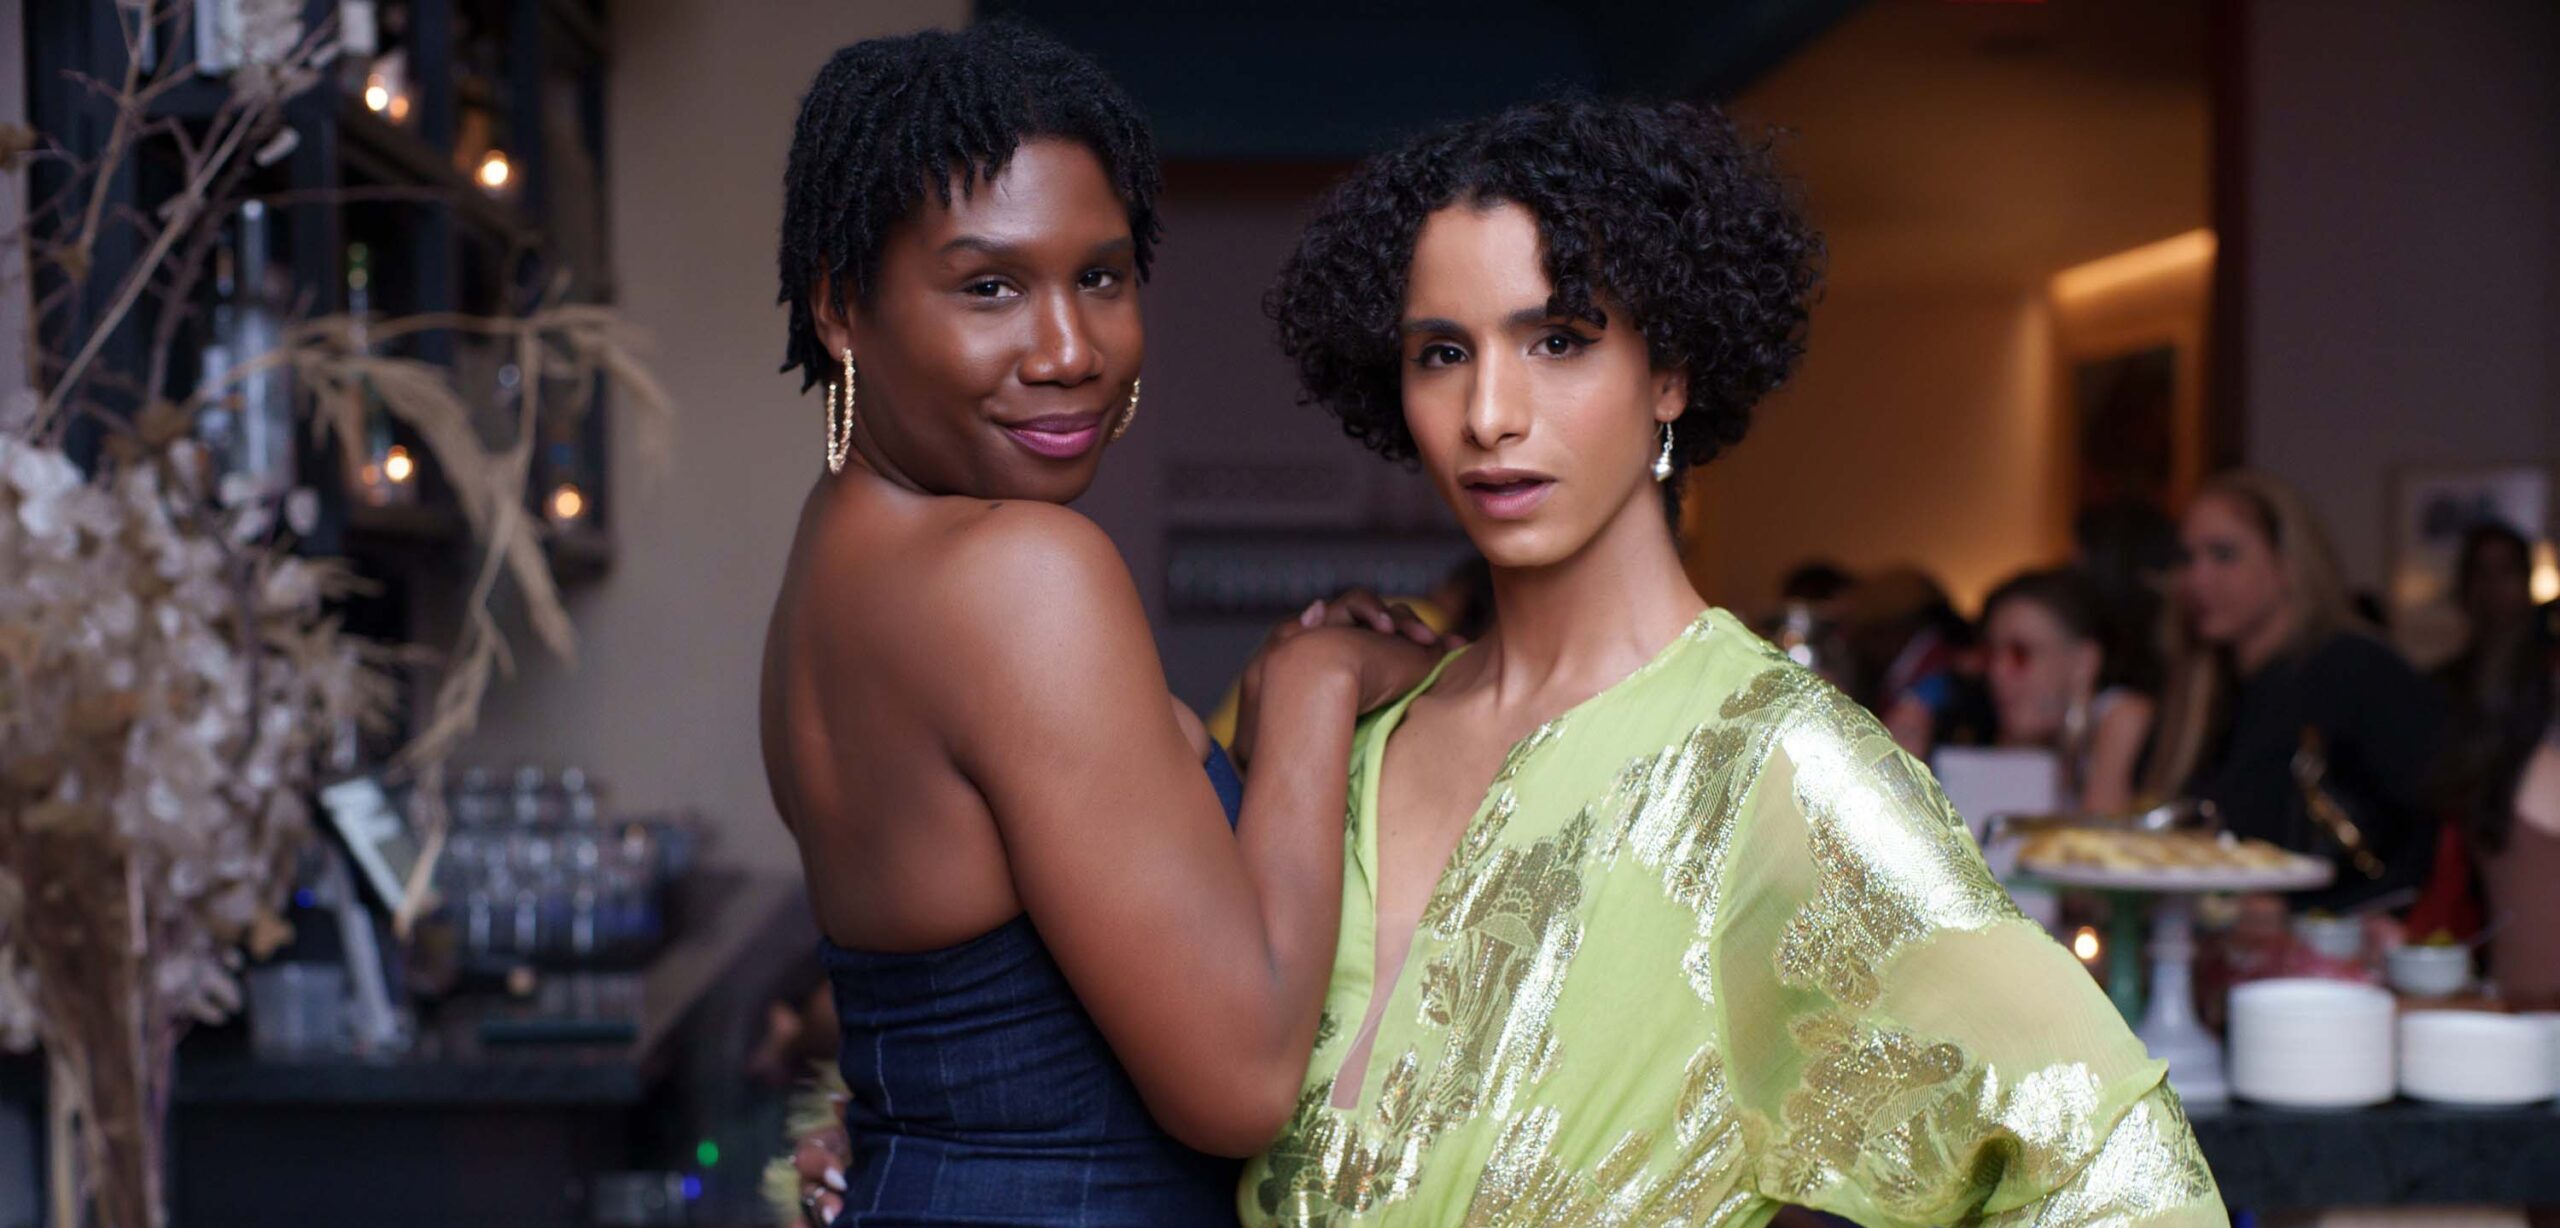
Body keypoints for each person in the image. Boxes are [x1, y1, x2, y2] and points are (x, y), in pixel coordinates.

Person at [1242, 97, 2220, 1226]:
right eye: (1442, 353)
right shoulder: (1367, 739)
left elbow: (2116, 1174)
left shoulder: (1777, 766)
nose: (1489, 412)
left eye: (1559, 339)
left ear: (1669, 372)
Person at [759, 27, 1439, 1225]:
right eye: (989, 286)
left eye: (1103, 277)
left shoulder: (835, 555)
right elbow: (1237, 1085)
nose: (1071, 350)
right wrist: (1313, 694)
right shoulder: (1023, 574)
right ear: (838, 305)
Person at [2144, 470, 2445, 913]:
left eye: (2224, 555)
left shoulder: (2357, 670)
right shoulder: (2203, 692)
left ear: (2288, 564)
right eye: (2187, 558)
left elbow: (2426, 836)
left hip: (2341, 950)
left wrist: (2300, 908)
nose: (2197, 578)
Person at [1982, 568, 2154, 814]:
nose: (1997, 672)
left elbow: (2098, 840)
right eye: (1991, 654)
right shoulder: (2032, 734)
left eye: (2020, 654)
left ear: (2084, 662)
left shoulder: (2122, 715)